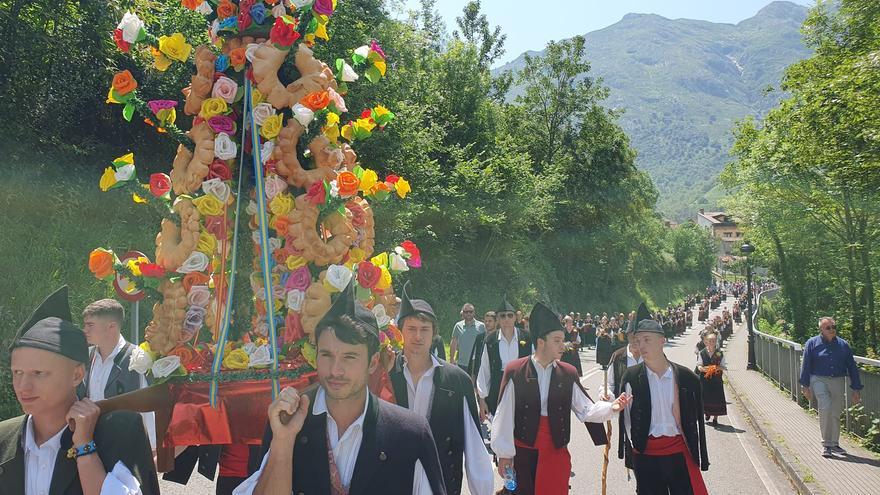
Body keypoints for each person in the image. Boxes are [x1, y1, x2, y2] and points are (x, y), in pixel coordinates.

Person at [233, 281, 446, 495]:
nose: (336, 370)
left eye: (349, 357)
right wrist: (283, 441)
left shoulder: (409, 433)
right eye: (327, 355)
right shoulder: (288, 421)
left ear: (372, 363)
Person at [0, 286, 159, 495]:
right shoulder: (5, 438)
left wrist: (85, 447)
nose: (23, 386)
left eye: (39, 373)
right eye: (17, 372)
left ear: (76, 375)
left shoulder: (117, 433)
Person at [491, 303, 629, 495]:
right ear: (541, 342)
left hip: (556, 453)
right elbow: (503, 415)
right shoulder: (516, 371)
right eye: (556, 340)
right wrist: (504, 455)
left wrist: (612, 407)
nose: (562, 346)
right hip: (524, 453)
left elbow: (586, 409)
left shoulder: (567, 373)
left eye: (563, 340)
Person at [387, 286, 494, 495]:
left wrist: (482, 490)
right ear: (400, 332)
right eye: (411, 328)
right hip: (394, 482)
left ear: (434, 333)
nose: (418, 336)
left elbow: (474, 444)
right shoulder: (388, 375)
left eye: (424, 329)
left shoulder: (457, 381)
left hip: (441, 482)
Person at [620, 318, 709, 495]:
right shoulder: (631, 377)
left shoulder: (685, 377)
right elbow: (628, 420)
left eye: (647, 339)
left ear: (662, 341)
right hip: (646, 453)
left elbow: (695, 419)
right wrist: (637, 446)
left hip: (678, 450)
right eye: (638, 341)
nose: (641, 345)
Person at [80, 299, 156, 450]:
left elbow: (148, 413)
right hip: (89, 446)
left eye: (90, 325)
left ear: (111, 327)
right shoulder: (84, 357)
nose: (84, 330)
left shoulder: (137, 359)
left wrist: (151, 454)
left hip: (124, 448)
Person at [799, 317, 863, 458]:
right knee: (825, 407)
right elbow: (806, 365)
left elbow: (852, 367)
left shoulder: (843, 345)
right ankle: (826, 444)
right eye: (828, 327)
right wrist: (805, 385)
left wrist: (856, 388)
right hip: (818, 379)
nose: (832, 330)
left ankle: (834, 443)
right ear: (821, 329)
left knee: (835, 411)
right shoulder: (812, 343)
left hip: (838, 380)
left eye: (833, 327)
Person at [475, 298, 532, 418]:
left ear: (515, 318)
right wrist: (482, 399)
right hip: (498, 389)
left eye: (510, 315)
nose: (506, 319)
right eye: (502, 316)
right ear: (498, 319)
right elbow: (484, 370)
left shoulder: (527, 337)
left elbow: (535, 365)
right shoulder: (490, 340)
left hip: (522, 388)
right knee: (499, 428)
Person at [695, 332, 727, 425]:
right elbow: (699, 365)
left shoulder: (719, 353)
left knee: (716, 398)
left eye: (713, 340)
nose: (712, 342)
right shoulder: (702, 352)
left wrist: (715, 368)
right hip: (705, 379)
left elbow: (723, 366)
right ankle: (707, 413)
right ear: (706, 342)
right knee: (705, 397)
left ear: (716, 341)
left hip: (716, 380)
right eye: (710, 341)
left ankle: (715, 418)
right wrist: (702, 368)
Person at [449, 303, 486, 373]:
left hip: (476, 363)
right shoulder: (458, 326)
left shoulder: (481, 326)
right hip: (461, 363)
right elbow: (454, 342)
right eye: (466, 312)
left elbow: (485, 343)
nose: (468, 313)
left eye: (471, 311)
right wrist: (451, 359)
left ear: (474, 313)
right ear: (462, 313)